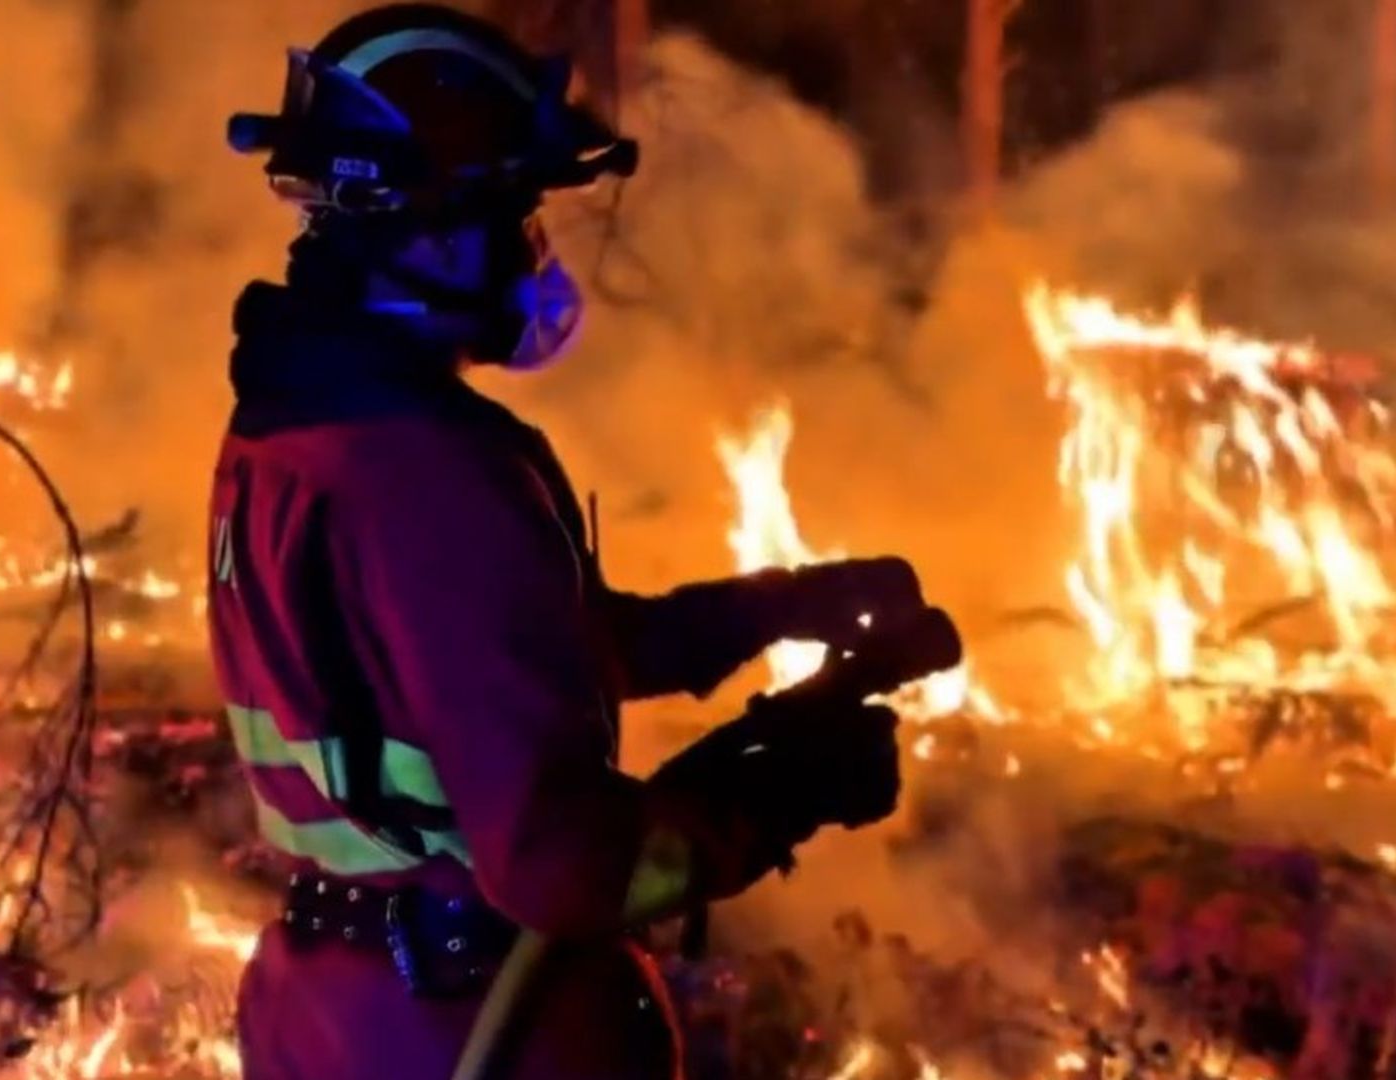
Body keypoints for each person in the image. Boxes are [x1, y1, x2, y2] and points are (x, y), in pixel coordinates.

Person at [211, 6, 920, 1077]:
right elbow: (563, 868)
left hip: (328, 1017)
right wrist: (773, 802)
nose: (533, 258)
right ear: (427, 229)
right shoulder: (433, 473)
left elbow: (521, 660)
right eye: (512, 216)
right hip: (484, 1029)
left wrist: (782, 608)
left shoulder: (288, 433)